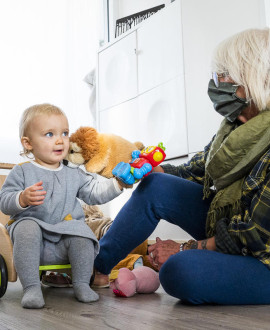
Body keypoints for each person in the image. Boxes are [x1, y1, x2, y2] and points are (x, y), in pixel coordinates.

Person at [94, 28, 270, 305]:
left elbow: (255, 235)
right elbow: (194, 170)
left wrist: (186, 248)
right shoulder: (235, 127)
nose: (217, 82)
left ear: (252, 78)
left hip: (263, 256)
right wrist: (149, 169)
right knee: (157, 185)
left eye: (224, 75)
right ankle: (95, 268)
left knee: (179, 270)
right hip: (229, 230)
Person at [0, 104, 128, 309]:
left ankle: (81, 284)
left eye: (65, 133)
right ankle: (32, 287)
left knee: (82, 233)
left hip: (64, 235)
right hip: (34, 237)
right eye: (49, 134)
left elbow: (94, 192)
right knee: (26, 227)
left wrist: (118, 183)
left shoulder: (73, 172)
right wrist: (22, 198)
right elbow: (4, 201)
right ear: (28, 143)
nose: (60, 140)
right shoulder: (22, 171)